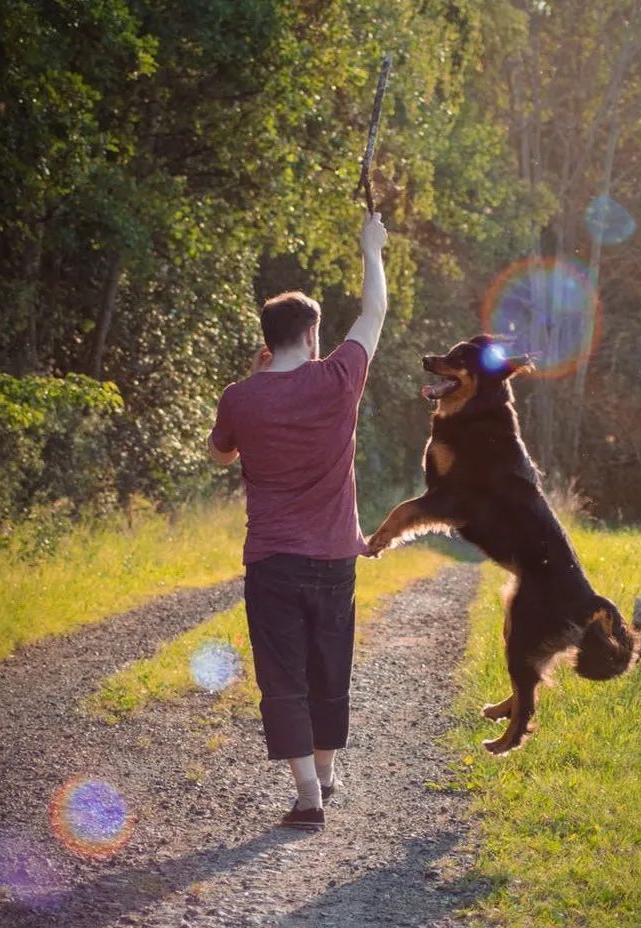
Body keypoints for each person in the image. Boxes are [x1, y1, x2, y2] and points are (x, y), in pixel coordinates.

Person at [207, 212, 388, 829]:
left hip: (273, 562)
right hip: (336, 558)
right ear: (312, 337)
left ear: (268, 338)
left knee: (282, 673)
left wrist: (258, 386)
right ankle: (330, 771)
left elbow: (221, 452)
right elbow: (374, 313)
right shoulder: (338, 380)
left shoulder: (241, 396)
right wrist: (371, 248)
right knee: (329, 664)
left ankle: (308, 793)